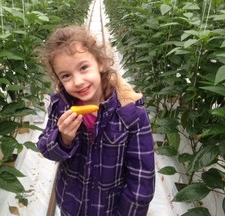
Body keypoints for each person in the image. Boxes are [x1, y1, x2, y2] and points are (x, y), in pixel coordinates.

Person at [37, 25, 155, 216]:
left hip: (110, 209)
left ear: (100, 63)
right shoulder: (61, 106)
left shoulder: (131, 113)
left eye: (83, 68)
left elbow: (141, 177)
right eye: (66, 75)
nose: (78, 81)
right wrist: (63, 138)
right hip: (71, 205)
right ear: (59, 79)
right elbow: (45, 149)